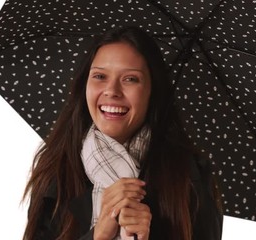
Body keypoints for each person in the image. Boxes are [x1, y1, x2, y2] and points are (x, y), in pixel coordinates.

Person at [22, 26, 223, 240]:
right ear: (85, 84)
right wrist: (98, 235)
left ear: (152, 91)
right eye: (99, 76)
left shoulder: (189, 174)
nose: (112, 91)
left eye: (130, 79)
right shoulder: (56, 169)